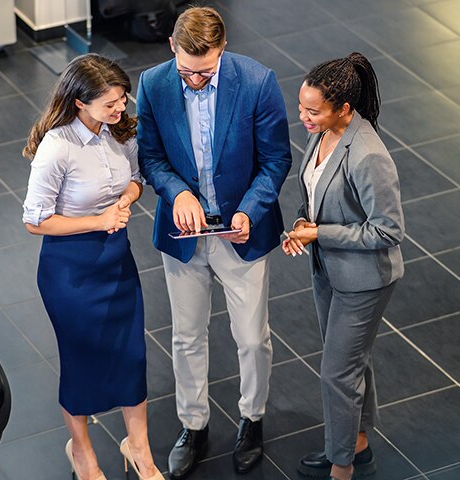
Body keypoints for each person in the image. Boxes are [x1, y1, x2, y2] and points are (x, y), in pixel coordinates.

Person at [136, 6, 292, 478]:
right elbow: (150, 155)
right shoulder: (153, 83)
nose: (196, 80)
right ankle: (194, 424)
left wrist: (249, 209)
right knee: (186, 337)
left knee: (250, 337)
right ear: (172, 49)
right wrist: (177, 191)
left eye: (205, 72)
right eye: (188, 71)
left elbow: (275, 160)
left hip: (240, 230)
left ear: (223, 49)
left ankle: (252, 419)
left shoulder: (258, 82)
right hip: (184, 235)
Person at [21, 53, 162, 480]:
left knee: (131, 355)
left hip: (117, 263)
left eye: (122, 99)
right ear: (80, 103)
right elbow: (34, 220)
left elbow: (138, 176)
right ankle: (81, 452)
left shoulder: (118, 131)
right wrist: (98, 220)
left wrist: (127, 197)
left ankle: (139, 446)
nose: (121, 110)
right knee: (83, 361)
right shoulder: (56, 147)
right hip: (71, 273)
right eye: (110, 104)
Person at [282, 52, 404, 480]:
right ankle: (356, 441)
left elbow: (388, 231)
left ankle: (341, 466)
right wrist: (303, 221)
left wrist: (321, 234)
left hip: (363, 280)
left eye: (312, 111)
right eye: (301, 107)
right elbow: (316, 194)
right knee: (353, 362)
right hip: (328, 268)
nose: (303, 117)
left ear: (344, 109)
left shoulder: (368, 154)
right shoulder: (325, 133)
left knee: (337, 372)